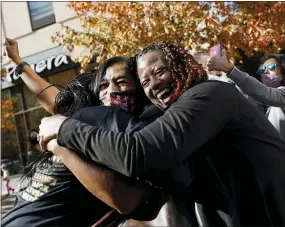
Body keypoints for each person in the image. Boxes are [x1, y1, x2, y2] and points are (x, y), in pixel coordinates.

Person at [39, 41, 285, 226]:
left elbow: (138, 153)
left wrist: (63, 129)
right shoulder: (178, 108)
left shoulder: (207, 95)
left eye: (159, 72)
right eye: (145, 82)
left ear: (182, 65)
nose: (153, 84)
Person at [3, 38, 193, 226]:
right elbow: (54, 99)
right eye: (103, 85)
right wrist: (18, 63)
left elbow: (137, 196)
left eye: (122, 82)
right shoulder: (90, 116)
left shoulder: (128, 125)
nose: (111, 91)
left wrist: (58, 145)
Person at [207, 51, 285, 140]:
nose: (265, 72)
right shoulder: (258, 100)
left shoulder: (278, 97)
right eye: (262, 69)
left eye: (271, 67)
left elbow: (265, 93)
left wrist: (229, 69)